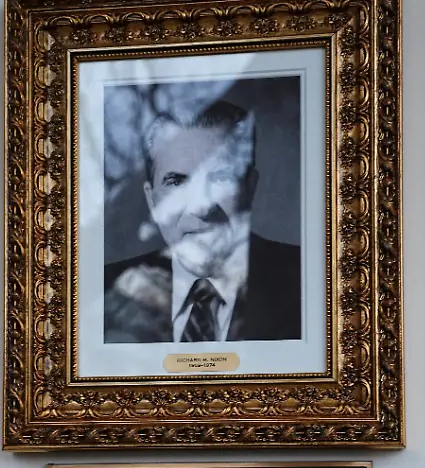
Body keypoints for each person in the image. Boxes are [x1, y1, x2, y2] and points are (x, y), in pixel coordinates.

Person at [104, 97, 301, 343]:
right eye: (176, 182)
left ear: (251, 187)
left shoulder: (307, 286)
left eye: (221, 178)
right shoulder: (109, 303)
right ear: (152, 200)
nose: (200, 206)